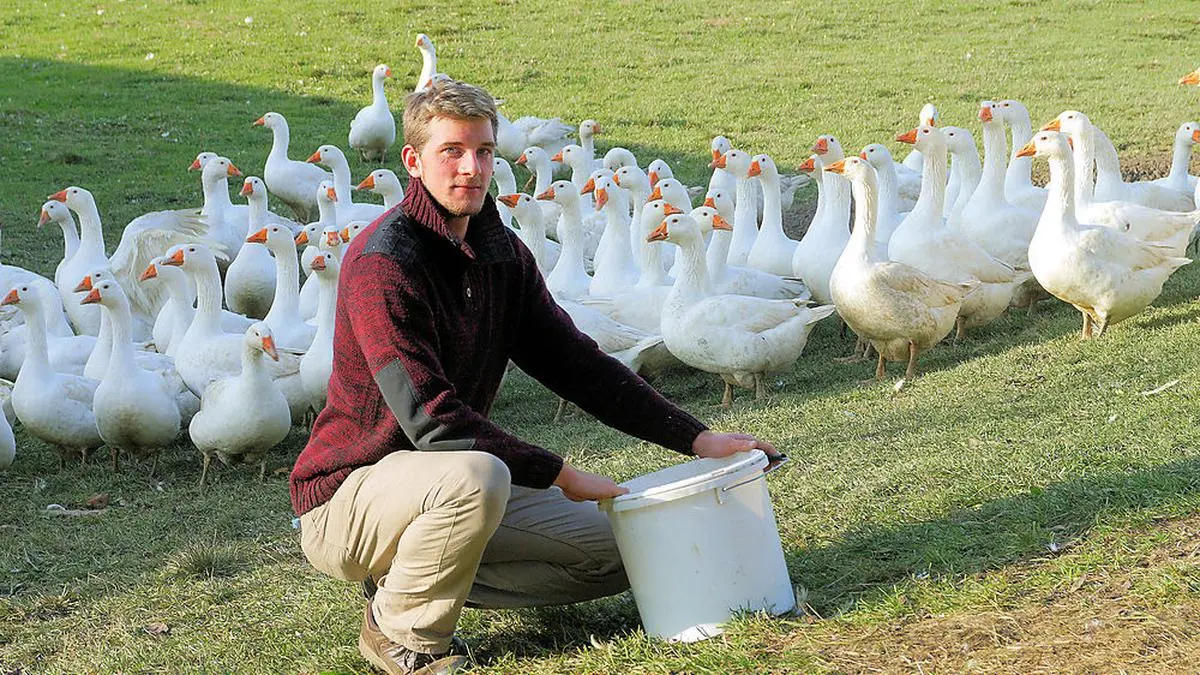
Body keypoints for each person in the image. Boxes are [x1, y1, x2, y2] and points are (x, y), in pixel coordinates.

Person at [289, 78, 779, 675]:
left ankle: (407, 576)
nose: (471, 168)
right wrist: (560, 475)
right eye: (452, 152)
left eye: (483, 151)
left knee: (636, 546)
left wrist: (697, 438)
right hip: (348, 495)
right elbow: (431, 420)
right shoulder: (384, 265)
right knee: (478, 474)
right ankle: (404, 636)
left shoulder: (502, 255)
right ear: (413, 161)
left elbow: (578, 364)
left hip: (447, 485)